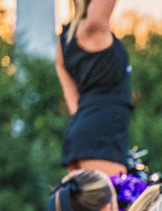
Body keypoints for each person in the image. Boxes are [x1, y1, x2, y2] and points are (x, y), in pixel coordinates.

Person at [55, 0, 132, 177]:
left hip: (81, 133)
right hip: (102, 135)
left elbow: (74, 105)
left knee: (90, 203)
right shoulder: (93, 28)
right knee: (114, 201)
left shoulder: (65, 39)